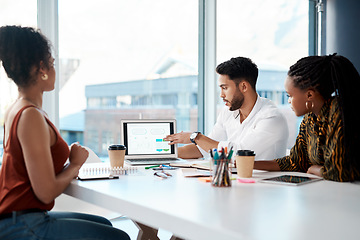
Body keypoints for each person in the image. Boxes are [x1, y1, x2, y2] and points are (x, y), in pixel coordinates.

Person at [0, 26, 130, 239]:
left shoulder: (18, 108)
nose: (54, 70)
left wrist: (68, 164)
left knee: (105, 223)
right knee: (119, 237)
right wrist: (76, 164)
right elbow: (45, 191)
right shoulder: (30, 115)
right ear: (41, 68)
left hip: (24, 216)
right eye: (51, 64)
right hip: (22, 224)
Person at [254, 54, 360, 182]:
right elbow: (295, 162)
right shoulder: (309, 119)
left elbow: (338, 171)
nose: (288, 101)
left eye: (290, 95)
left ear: (309, 95)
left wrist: (313, 169)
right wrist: (246, 164)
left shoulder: (338, 110)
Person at [164, 57, 289, 160]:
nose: (221, 95)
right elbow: (205, 149)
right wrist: (164, 154)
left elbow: (238, 153)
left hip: (266, 186)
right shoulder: (229, 112)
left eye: (225, 88)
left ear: (244, 86)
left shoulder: (271, 117)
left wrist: (195, 137)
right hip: (236, 183)